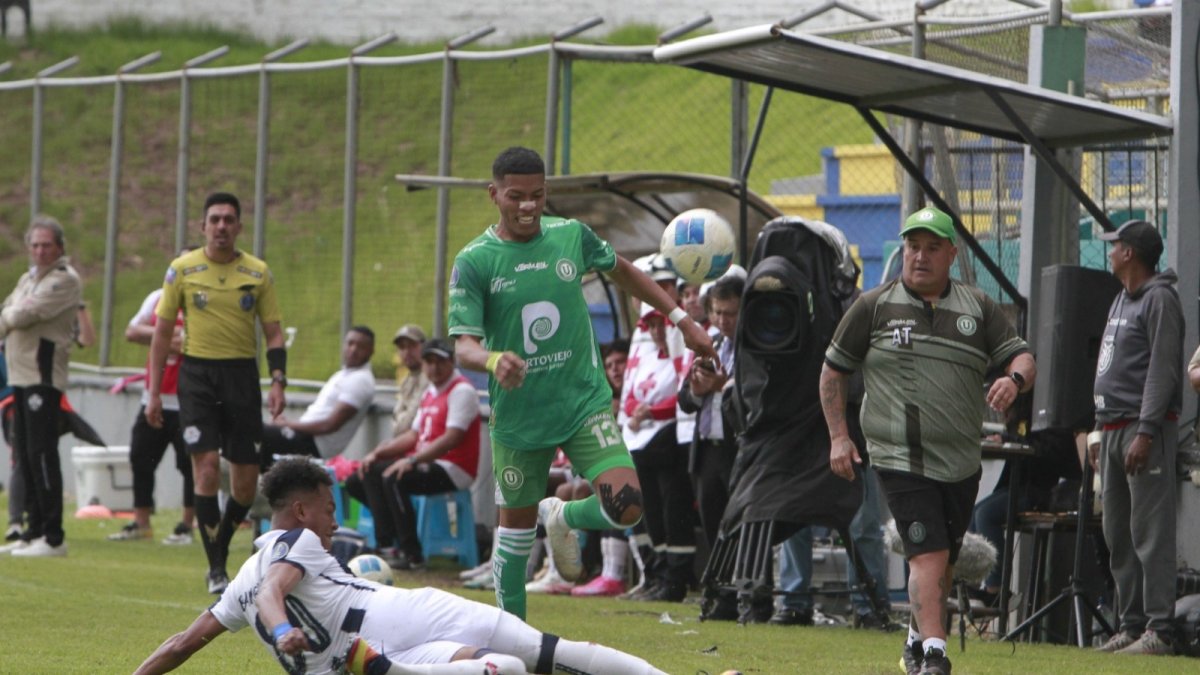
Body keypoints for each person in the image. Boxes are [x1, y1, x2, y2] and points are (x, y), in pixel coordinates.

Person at [447, 146, 715, 619]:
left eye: (537, 195)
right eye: (515, 197)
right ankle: (514, 641)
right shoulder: (475, 261)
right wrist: (491, 360)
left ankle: (564, 514)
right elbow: (462, 346)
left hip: (582, 402)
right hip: (521, 416)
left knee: (628, 504)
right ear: (494, 195)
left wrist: (680, 319)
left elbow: (624, 271)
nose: (528, 206)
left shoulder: (571, 235)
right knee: (513, 535)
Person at [132, 457, 667, 675]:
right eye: (328, 507)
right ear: (300, 510)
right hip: (406, 619)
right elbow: (276, 593)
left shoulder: (239, 587)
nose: (332, 519)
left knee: (510, 667)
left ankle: (383, 670)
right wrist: (281, 629)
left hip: (384, 639)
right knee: (537, 655)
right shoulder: (290, 541)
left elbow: (182, 643)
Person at [821, 206, 1034, 675]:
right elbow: (833, 370)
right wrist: (839, 437)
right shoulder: (873, 305)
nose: (920, 256)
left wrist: (1013, 382)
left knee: (945, 555)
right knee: (929, 551)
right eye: (913, 246)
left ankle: (916, 640)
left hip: (960, 459)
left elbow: (1021, 356)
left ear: (951, 255)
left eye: (932, 247)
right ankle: (936, 655)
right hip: (898, 455)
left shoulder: (977, 307)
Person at [145, 192, 287, 594]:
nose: (221, 226)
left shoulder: (257, 272)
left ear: (239, 226)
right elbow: (160, 333)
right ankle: (216, 568)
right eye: (214, 219)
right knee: (205, 468)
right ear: (203, 226)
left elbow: (273, 331)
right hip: (198, 376)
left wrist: (278, 379)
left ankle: (220, 546)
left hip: (241, 377)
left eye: (229, 219)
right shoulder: (182, 270)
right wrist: (154, 392)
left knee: (244, 485)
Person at [1089, 219, 1183, 656]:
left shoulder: (1160, 299)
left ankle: (1160, 628)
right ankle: (1129, 624)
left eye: (1115, 246)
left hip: (1140, 430)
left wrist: (1146, 431)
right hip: (1110, 429)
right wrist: (1096, 429)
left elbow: (1162, 371)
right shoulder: (1119, 300)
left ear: (1131, 254)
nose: (1110, 252)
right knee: (1118, 534)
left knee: (1150, 531)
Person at [345, 337, 480, 571]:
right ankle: (389, 544)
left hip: (453, 468)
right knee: (359, 478)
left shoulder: (462, 390)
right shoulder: (430, 392)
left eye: (440, 361)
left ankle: (412, 555)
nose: (434, 367)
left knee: (393, 478)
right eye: (429, 362)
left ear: (451, 362)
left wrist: (412, 460)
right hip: (426, 461)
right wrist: (378, 453)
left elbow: (452, 438)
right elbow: (412, 436)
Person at [0, 215, 82, 558]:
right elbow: (8, 309)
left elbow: (18, 316)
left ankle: (53, 536)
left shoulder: (63, 279)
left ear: (59, 247)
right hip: (19, 375)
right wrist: (11, 313)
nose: (40, 250)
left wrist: (11, 314)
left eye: (46, 244)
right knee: (26, 454)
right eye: (34, 244)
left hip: (42, 377)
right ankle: (32, 531)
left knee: (42, 453)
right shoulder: (28, 278)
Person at [108, 284, 196, 544]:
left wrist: (161, 338)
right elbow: (132, 331)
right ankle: (142, 522)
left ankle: (186, 526)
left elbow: (193, 343)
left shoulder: (205, 300)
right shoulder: (158, 297)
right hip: (154, 397)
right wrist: (170, 336)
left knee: (190, 465)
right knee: (140, 457)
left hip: (188, 401)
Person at [259, 326, 377, 468]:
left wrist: (287, 424)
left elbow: (329, 425)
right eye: (350, 343)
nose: (353, 349)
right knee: (253, 441)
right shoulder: (343, 374)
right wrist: (288, 424)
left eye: (361, 346)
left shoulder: (361, 380)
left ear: (371, 351)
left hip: (314, 445)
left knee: (256, 434)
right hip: (304, 436)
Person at [390, 324, 429, 437]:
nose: (407, 352)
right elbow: (396, 418)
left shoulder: (429, 377)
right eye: (402, 347)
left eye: (412, 346)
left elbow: (406, 425)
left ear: (424, 346)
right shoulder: (408, 379)